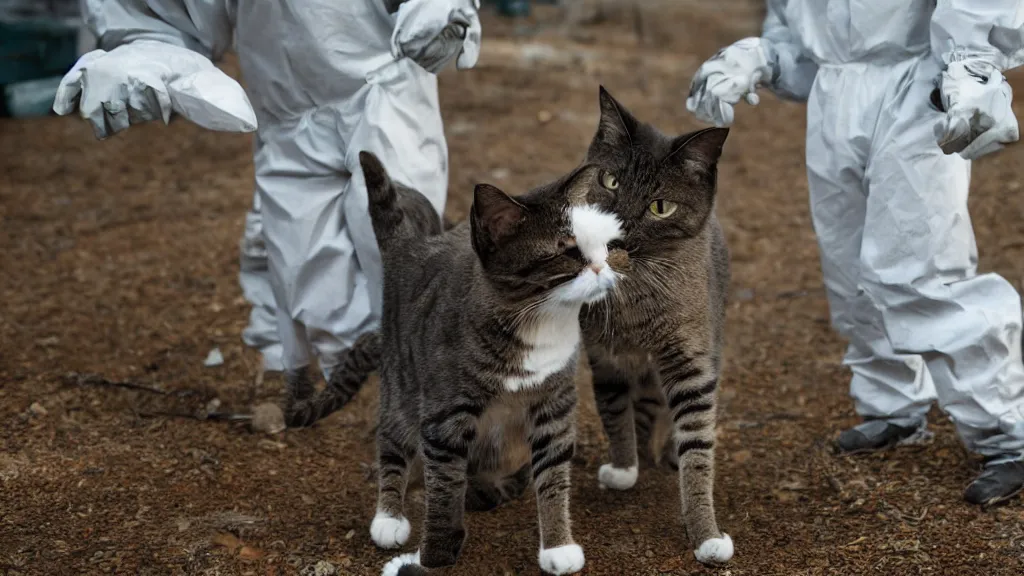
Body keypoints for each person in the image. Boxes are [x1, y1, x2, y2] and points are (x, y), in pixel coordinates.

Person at [686, 0, 1024, 506]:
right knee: (849, 268)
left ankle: (1008, 434)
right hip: (835, 95)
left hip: (919, 87)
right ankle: (893, 406)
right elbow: (799, 35)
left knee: (919, 269)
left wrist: (973, 64)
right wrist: (759, 57)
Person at [53, 0, 481, 392]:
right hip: (285, 118)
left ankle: (463, 398)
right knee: (317, 288)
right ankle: (401, 398)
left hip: (384, 88)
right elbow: (169, 15)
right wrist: (145, 54)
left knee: (396, 245)